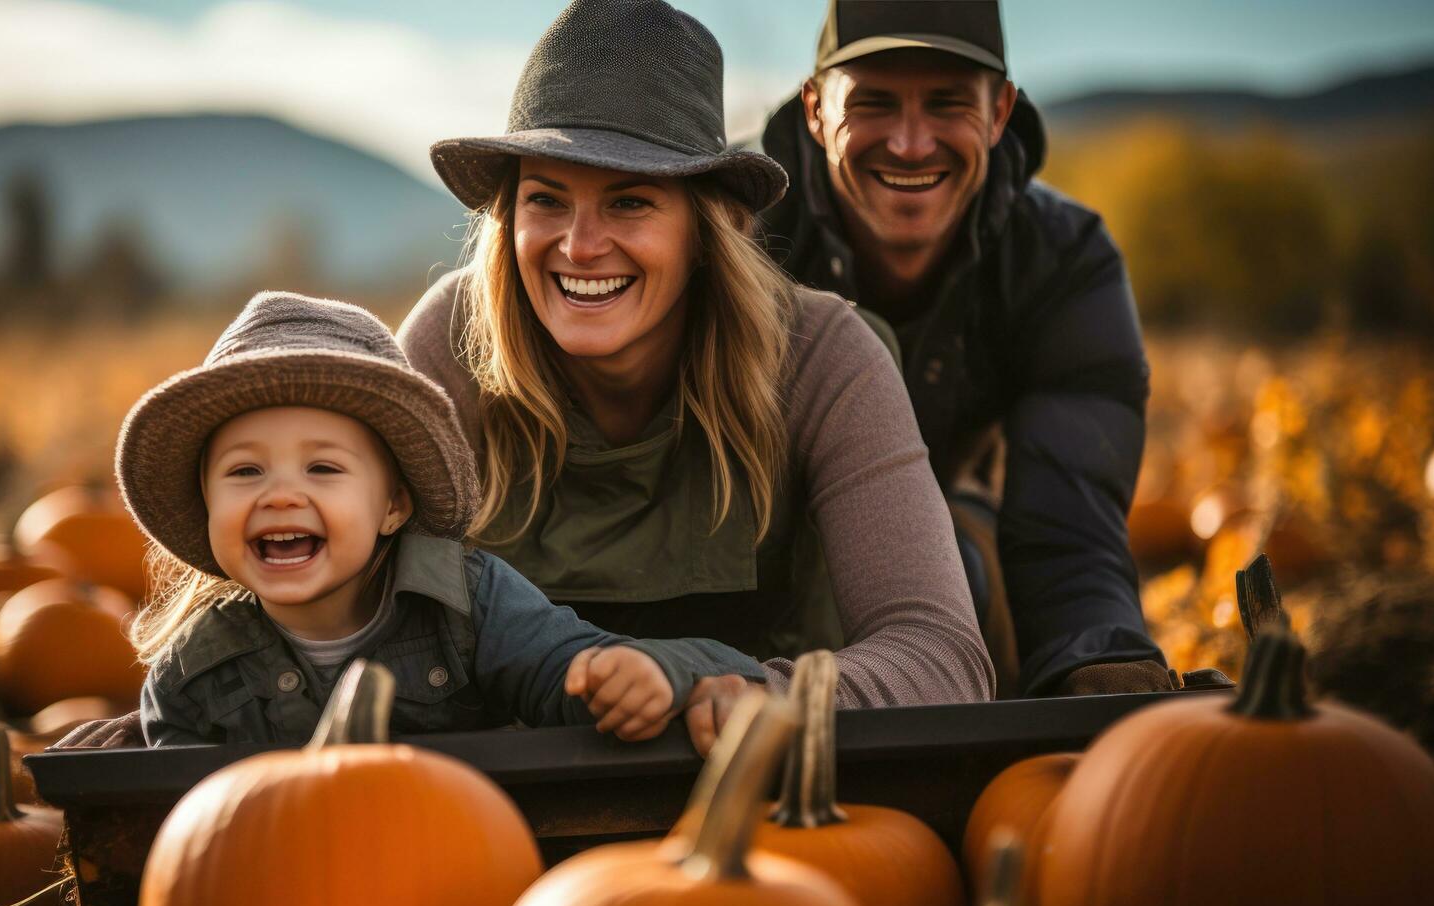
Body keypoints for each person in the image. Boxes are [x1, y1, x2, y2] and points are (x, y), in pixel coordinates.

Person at [403, 0, 993, 739]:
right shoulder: (450, 346)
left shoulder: (820, 356)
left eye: (629, 202)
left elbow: (942, 656)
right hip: (498, 806)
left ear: (707, 225)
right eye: (546, 200)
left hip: (765, 795)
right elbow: (366, 615)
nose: (580, 247)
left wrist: (766, 697)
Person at [116, 290, 766, 750]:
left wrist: (646, 679)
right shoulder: (192, 675)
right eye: (244, 472)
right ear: (208, 506)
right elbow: (172, 835)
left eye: (323, 469)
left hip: (458, 875)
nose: (280, 496)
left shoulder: (468, 604)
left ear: (393, 506)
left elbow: (572, 674)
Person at [755, 0, 1174, 697]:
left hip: (945, 555)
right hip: (752, 552)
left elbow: (1066, 527)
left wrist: (1094, 662)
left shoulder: (1061, 260)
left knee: (966, 574)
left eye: (947, 104)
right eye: (874, 104)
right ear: (814, 109)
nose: (911, 144)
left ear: (999, 111)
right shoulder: (736, 241)